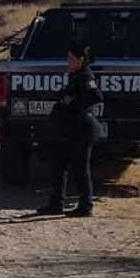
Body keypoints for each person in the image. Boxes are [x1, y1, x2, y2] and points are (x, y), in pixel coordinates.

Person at [37, 44, 104, 217]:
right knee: (59, 166)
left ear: (80, 60)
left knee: (81, 169)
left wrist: (74, 103)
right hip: (71, 129)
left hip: (82, 129)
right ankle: (56, 204)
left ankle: (86, 206)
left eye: (70, 58)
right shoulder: (75, 76)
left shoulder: (85, 76)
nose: (67, 61)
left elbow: (96, 96)